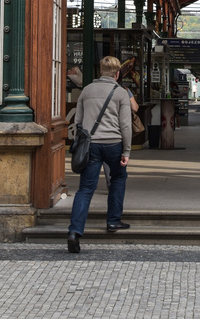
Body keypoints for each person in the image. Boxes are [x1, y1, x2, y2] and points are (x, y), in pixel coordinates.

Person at [67, 55, 132, 253]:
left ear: (100, 71)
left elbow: (78, 121)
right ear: (117, 74)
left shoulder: (86, 90)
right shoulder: (120, 93)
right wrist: (127, 150)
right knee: (118, 178)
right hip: (114, 144)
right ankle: (113, 221)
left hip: (91, 145)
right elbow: (126, 125)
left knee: (85, 189)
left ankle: (75, 232)